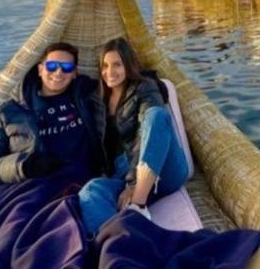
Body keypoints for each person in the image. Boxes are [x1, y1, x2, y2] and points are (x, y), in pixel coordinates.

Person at [77, 37, 190, 235]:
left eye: (117, 65)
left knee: (155, 114)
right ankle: (117, 244)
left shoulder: (144, 87)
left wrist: (134, 185)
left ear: (128, 65)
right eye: (105, 66)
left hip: (163, 168)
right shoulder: (96, 99)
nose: (109, 72)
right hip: (121, 172)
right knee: (90, 191)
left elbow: (150, 130)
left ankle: (138, 206)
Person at [0, 41, 104, 189]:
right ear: (40, 70)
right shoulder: (9, 112)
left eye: (66, 68)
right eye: (52, 66)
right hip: (32, 186)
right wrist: (23, 166)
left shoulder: (88, 97)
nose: (58, 72)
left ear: (74, 74)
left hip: (82, 184)